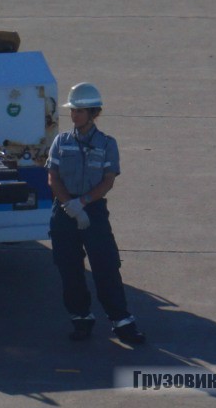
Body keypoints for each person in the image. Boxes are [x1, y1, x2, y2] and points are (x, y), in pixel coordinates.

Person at [46, 82, 146, 345]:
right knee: (69, 268)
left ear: (93, 113)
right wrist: (69, 205)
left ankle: (122, 321)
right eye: (73, 110)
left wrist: (85, 203)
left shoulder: (106, 144)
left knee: (106, 265)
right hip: (64, 210)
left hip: (94, 211)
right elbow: (53, 177)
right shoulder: (61, 142)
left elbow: (108, 180)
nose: (74, 115)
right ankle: (81, 318)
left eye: (80, 111)